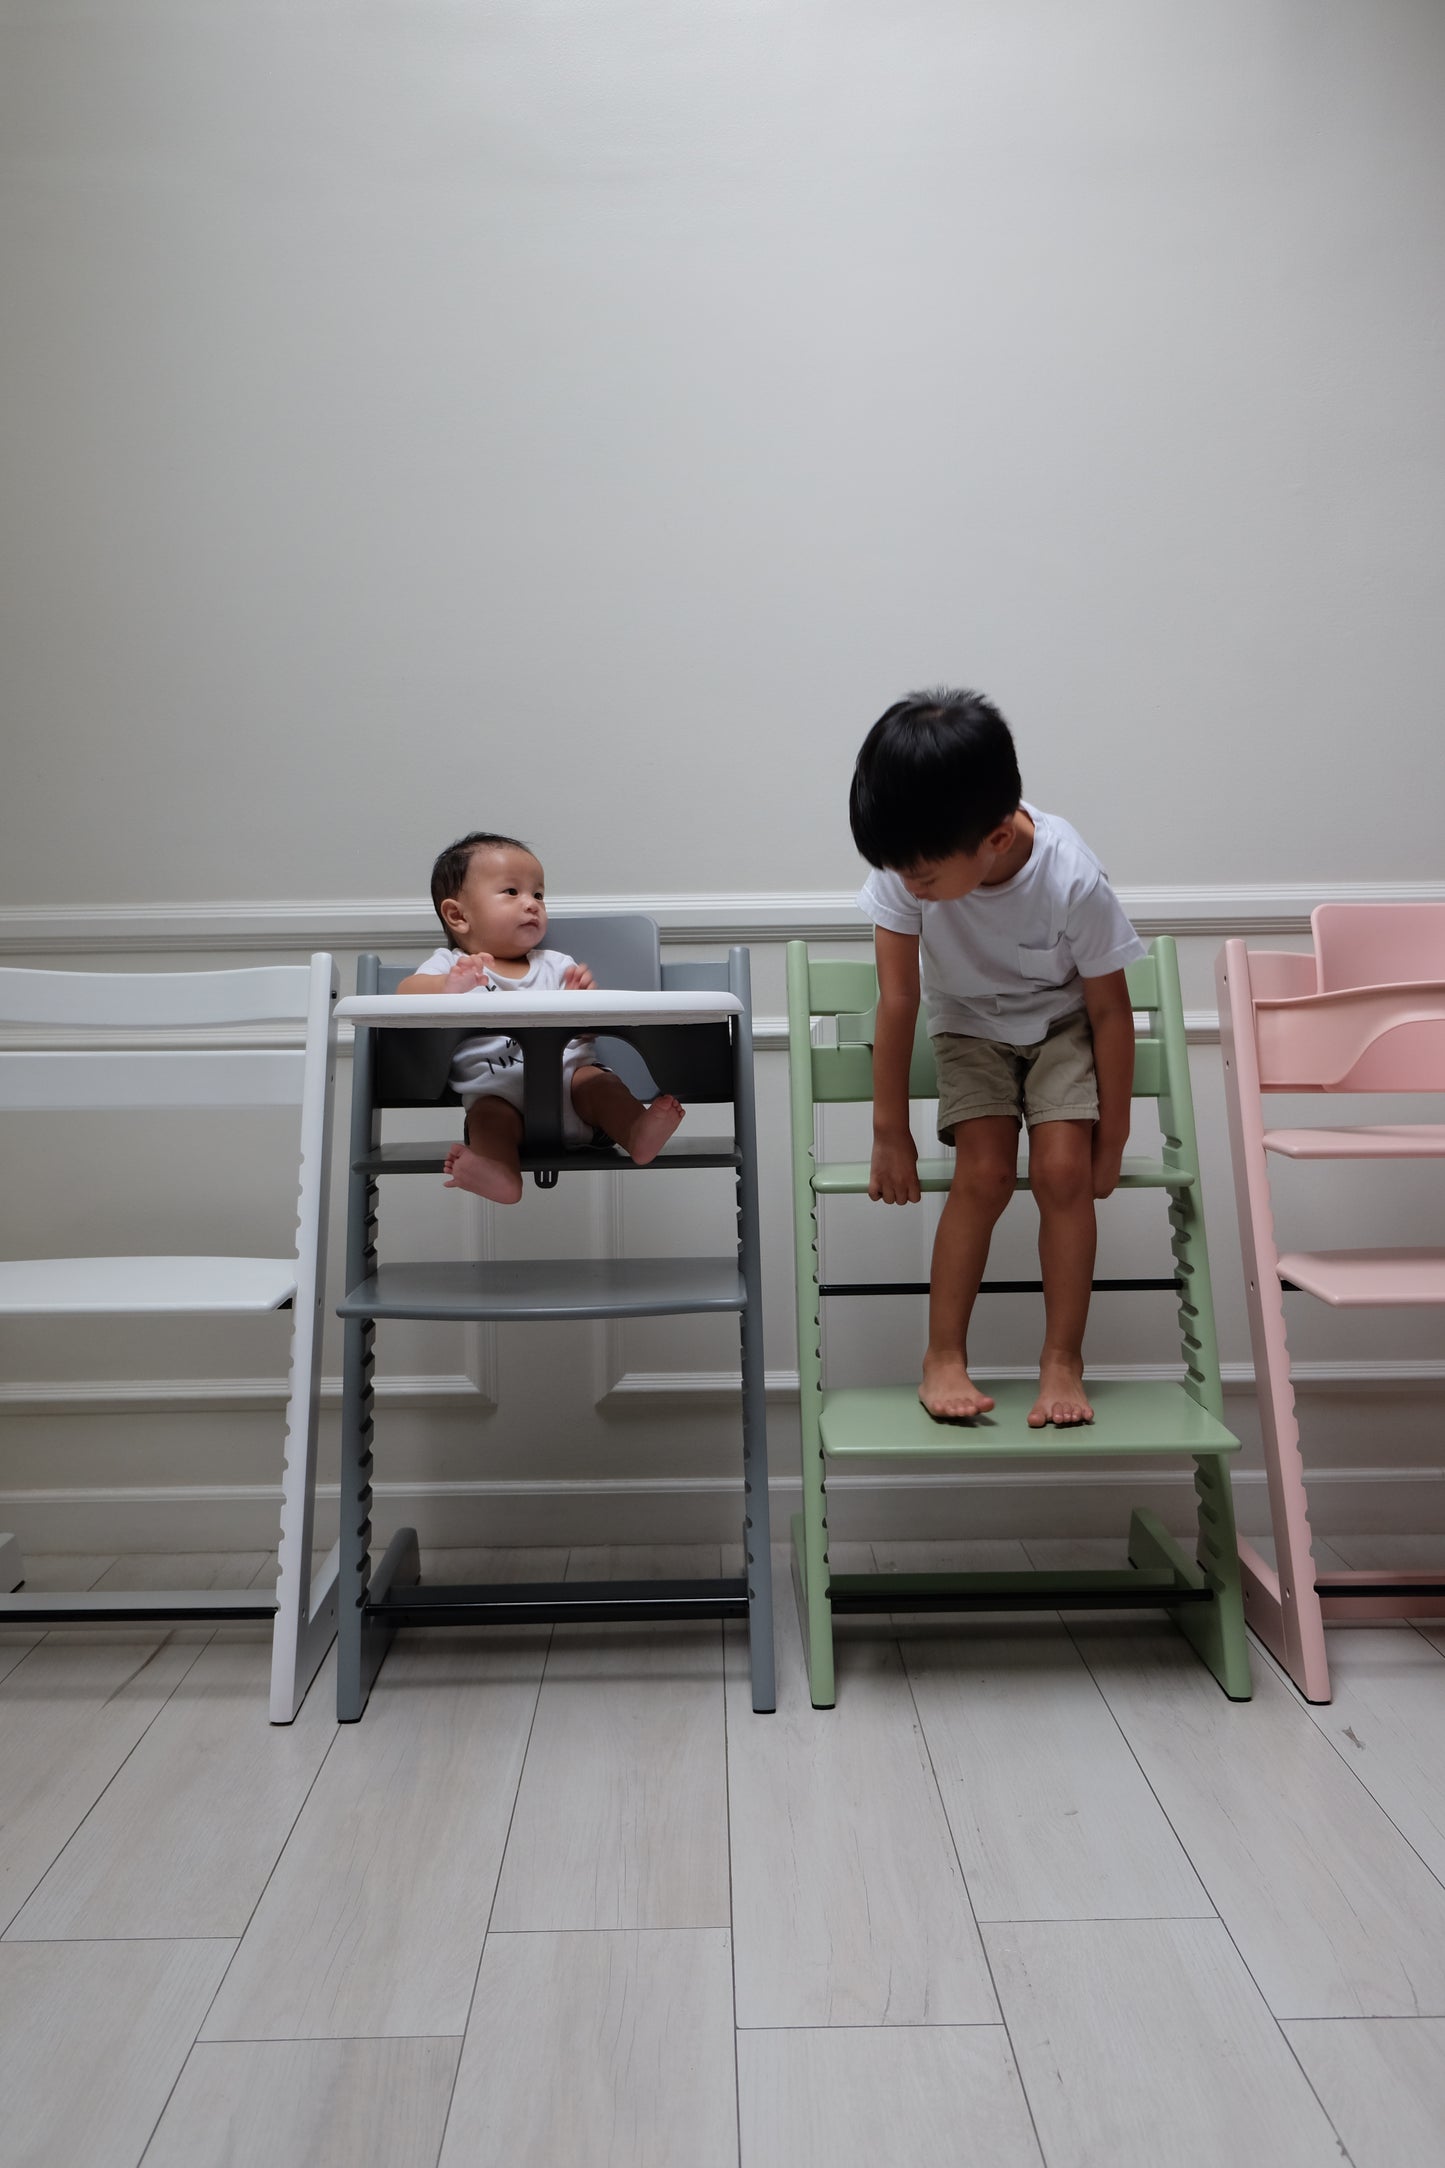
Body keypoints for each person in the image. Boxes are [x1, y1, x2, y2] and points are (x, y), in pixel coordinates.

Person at [850, 690, 1145, 1427]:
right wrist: (890, 1130)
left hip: (1063, 1027)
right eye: (901, 875)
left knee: (1061, 1171)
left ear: (995, 840)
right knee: (981, 1174)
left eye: (922, 878)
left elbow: (1109, 1009)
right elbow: (898, 1001)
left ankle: (1061, 1359)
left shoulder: (1070, 875)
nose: (909, 887)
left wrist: (1113, 1135)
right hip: (968, 1029)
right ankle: (942, 1355)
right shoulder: (910, 862)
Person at [398, 830, 684, 1202]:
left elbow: (584, 1040)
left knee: (602, 1085)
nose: (532, 904)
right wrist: (448, 986)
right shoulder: (451, 966)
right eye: (512, 892)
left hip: (572, 1086)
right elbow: (405, 993)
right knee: (487, 1119)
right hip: (495, 1094)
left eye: (538, 894)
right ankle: (500, 1177)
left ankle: (636, 1134)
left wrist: (582, 1006)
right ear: (458, 915)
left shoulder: (556, 965)